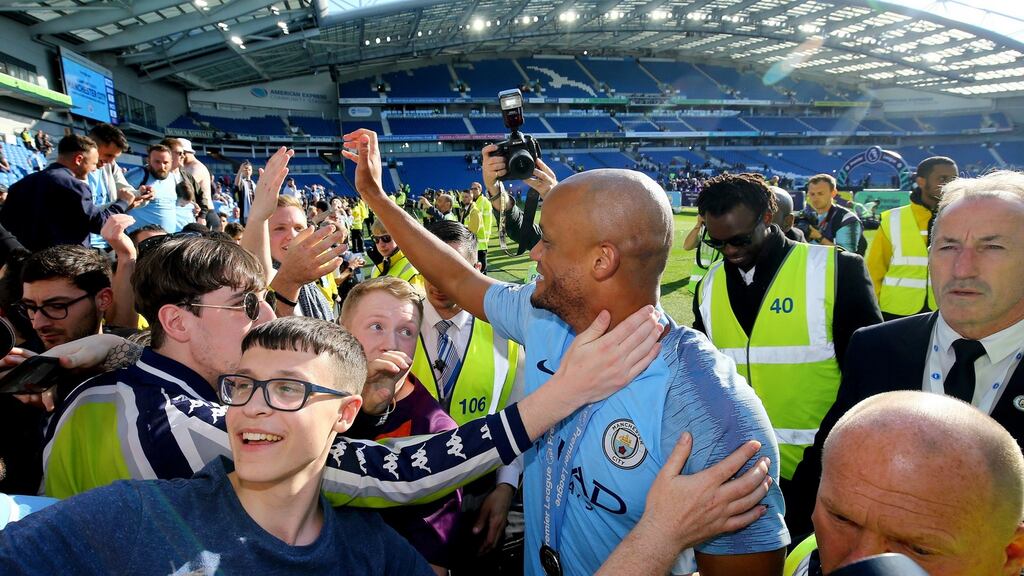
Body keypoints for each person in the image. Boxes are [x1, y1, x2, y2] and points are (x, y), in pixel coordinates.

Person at [343, 129, 789, 576]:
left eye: (548, 241)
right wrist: (376, 196)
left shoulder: (710, 411)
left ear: (602, 260)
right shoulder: (542, 316)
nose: (534, 251)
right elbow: (458, 279)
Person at [0, 316, 434, 575]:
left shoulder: (375, 554)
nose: (251, 408)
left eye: (287, 389)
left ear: (345, 413)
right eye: (241, 385)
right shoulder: (136, 514)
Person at [788, 170, 1024, 539]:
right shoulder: (875, 348)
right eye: (947, 247)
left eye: (992, 247)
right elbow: (825, 470)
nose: (962, 268)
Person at [691, 173, 881, 514]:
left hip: (825, 473)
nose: (730, 252)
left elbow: (870, 382)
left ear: (768, 217)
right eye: (717, 243)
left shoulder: (837, 271)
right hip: (741, 475)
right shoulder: (708, 286)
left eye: (740, 239)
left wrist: (822, 463)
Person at [786, 391, 1024, 576]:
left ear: (1012, 555)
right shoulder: (788, 563)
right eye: (842, 519)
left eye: (918, 549)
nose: (859, 560)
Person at [409, 221, 525, 569]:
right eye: (431, 268)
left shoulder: (508, 329)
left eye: (454, 269)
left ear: (477, 269)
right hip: (407, 493)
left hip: (481, 490)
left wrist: (505, 489)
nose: (440, 282)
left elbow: (517, 415)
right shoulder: (394, 320)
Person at [340, 277, 461, 574]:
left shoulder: (433, 432)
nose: (391, 344)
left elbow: (432, 564)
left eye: (406, 332)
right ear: (341, 332)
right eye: (376, 326)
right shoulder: (315, 398)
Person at [0, 135, 135, 251]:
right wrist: (123, 202)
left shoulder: (21, 184)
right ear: (78, 159)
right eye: (93, 164)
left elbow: (7, 225)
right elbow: (100, 224)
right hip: (65, 264)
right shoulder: (75, 186)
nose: (94, 169)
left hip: (30, 264)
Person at [865, 156, 958, 320]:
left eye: (954, 179)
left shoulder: (966, 219)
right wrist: (873, 309)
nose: (950, 185)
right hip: (896, 311)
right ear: (921, 181)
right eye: (943, 179)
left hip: (947, 308)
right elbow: (875, 269)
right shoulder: (892, 219)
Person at [85, 124, 136, 251]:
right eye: (108, 155)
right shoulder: (68, 170)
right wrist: (122, 203)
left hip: (109, 243)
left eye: (114, 157)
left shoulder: (110, 165)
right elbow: (86, 213)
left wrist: (141, 194)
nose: (111, 160)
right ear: (92, 146)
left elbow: (126, 191)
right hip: (83, 245)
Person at [799, 174, 865, 254]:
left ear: (833, 193)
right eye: (812, 194)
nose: (815, 198)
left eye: (820, 193)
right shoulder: (804, 216)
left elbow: (848, 256)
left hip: (836, 266)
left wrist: (819, 238)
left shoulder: (846, 219)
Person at [127, 144, 179, 234]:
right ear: (148, 161)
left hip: (167, 239)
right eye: (157, 162)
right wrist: (137, 195)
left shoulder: (173, 178)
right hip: (140, 240)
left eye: (166, 162)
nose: (162, 167)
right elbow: (116, 198)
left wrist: (192, 205)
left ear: (171, 161)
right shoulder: (137, 175)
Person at [369, 218, 423, 287]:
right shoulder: (377, 267)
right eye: (376, 239)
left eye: (386, 238)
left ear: (400, 237)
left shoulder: (412, 268)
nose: (381, 244)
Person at [681, 214, 721, 293]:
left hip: (718, 287)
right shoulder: (704, 231)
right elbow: (687, 246)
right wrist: (698, 224)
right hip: (698, 287)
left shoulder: (729, 232)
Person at [179, 138, 212, 210]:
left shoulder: (197, 167)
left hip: (205, 212)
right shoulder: (186, 166)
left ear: (184, 153)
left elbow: (184, 188)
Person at [470, 182, 493, 273]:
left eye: (475, 189)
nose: (473, 191)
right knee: (475, 263)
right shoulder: (475, 201)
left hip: (482, 237)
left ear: (480, 190)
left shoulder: (484, 201)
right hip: (474, 236)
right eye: (472, 189)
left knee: (482, 265)